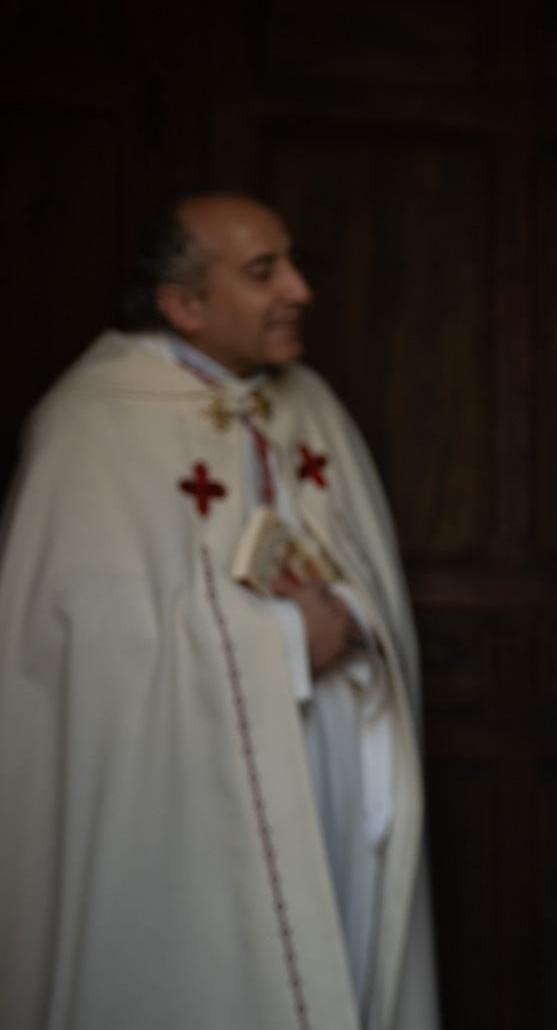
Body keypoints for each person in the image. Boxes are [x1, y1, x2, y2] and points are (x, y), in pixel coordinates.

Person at [0, 193, 440, 1029]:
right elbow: (79, 657)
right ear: (183, 306)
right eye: (262, 272)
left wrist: (346, 610)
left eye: (291, 262)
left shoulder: (309, 405)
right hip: (181, 802)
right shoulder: (90, 428)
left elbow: (366, 577)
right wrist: (277, 643)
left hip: (327, 767)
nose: (300, 290)